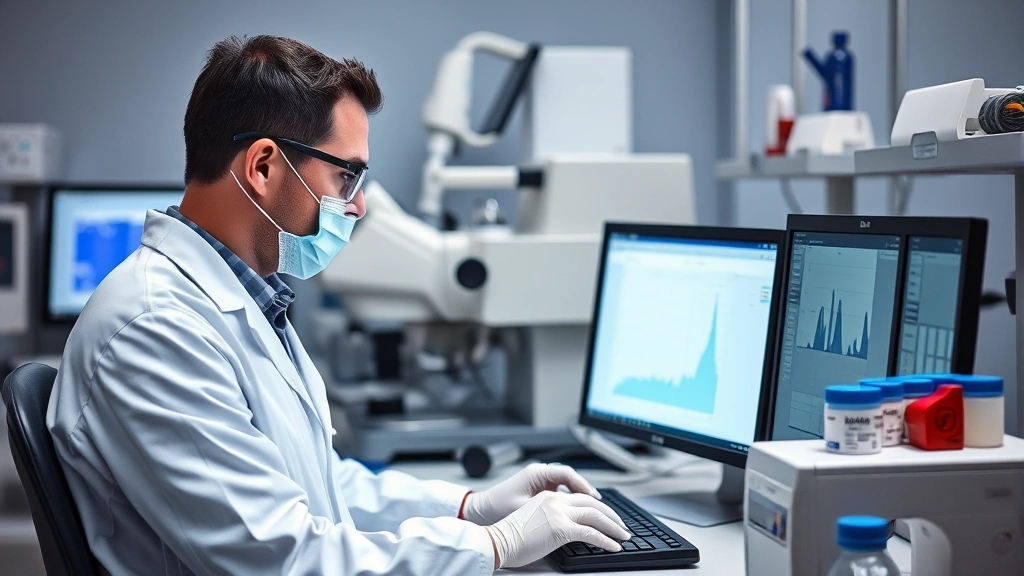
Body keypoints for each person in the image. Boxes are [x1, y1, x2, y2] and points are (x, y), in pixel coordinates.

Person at [46, 35, 629, 575]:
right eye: (347, 176)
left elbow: (322, 489)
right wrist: (495, 546)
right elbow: (286, 558)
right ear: (264, 167)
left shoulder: (241, 299)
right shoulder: (155, 327)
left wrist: (472, 507)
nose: (358, 207)